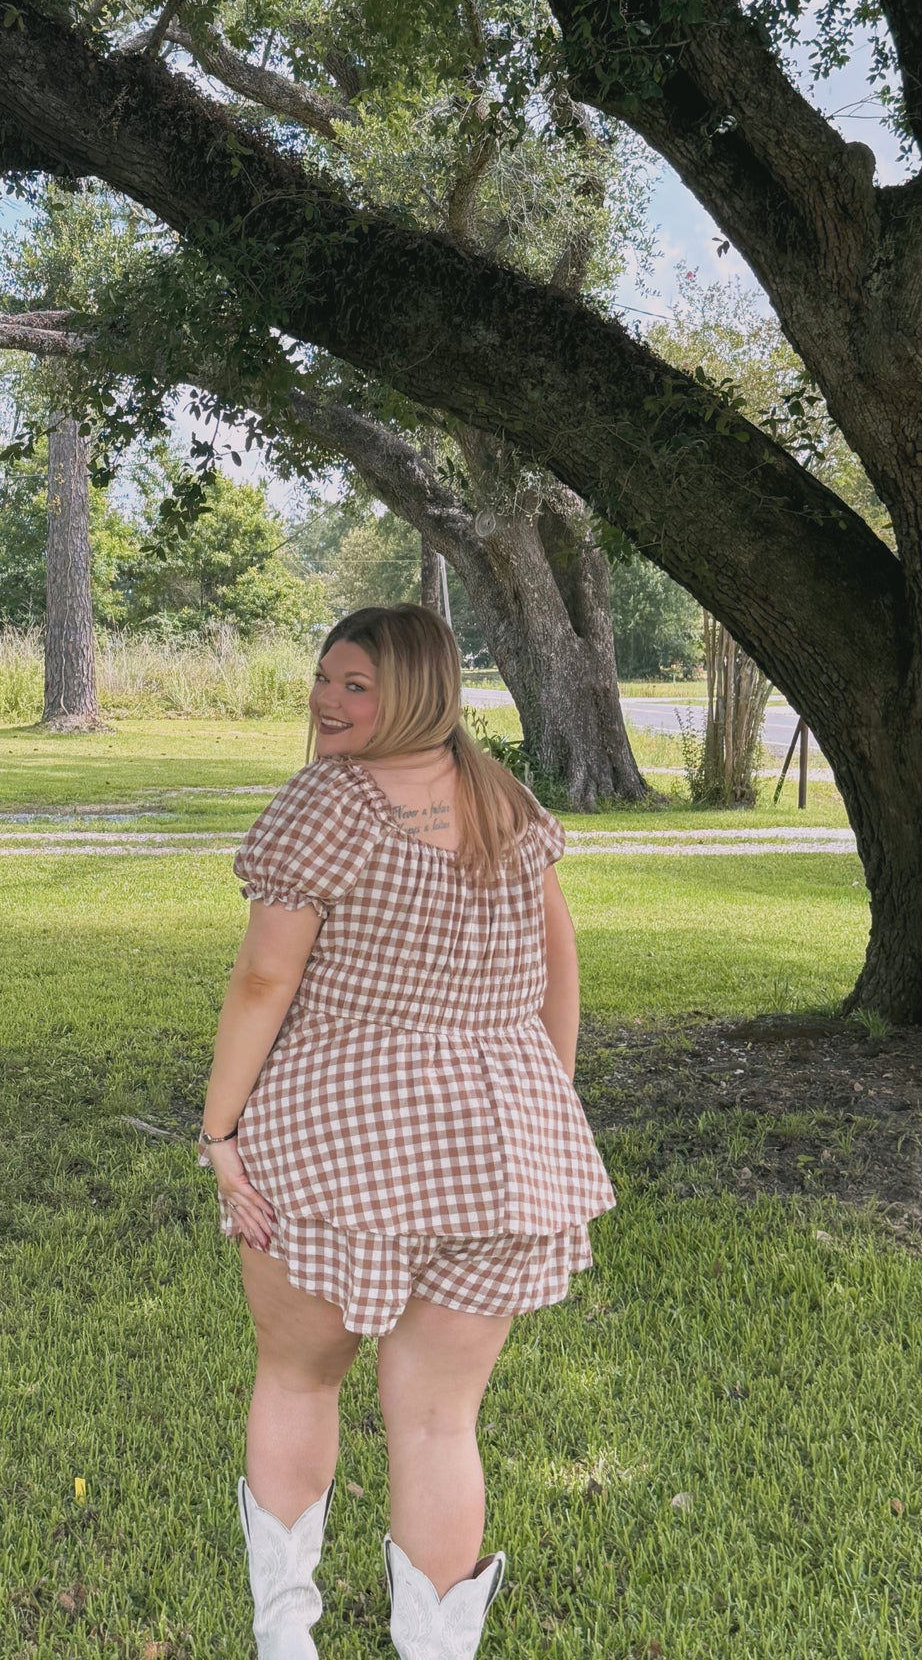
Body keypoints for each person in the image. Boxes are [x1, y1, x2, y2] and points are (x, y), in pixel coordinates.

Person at [197, 604, 615, 1659]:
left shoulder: (324, 805)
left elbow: (260, 979)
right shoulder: (503, 801)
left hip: (337, 1138)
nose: (326, 702)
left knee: (297, 1376)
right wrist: (541, 1103)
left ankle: (284, 1639)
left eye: (356, 686)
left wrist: (218, 1129)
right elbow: (558, 968)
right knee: (437, 1422)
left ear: (417, 691)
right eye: (325, 678)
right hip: (500, 1149)